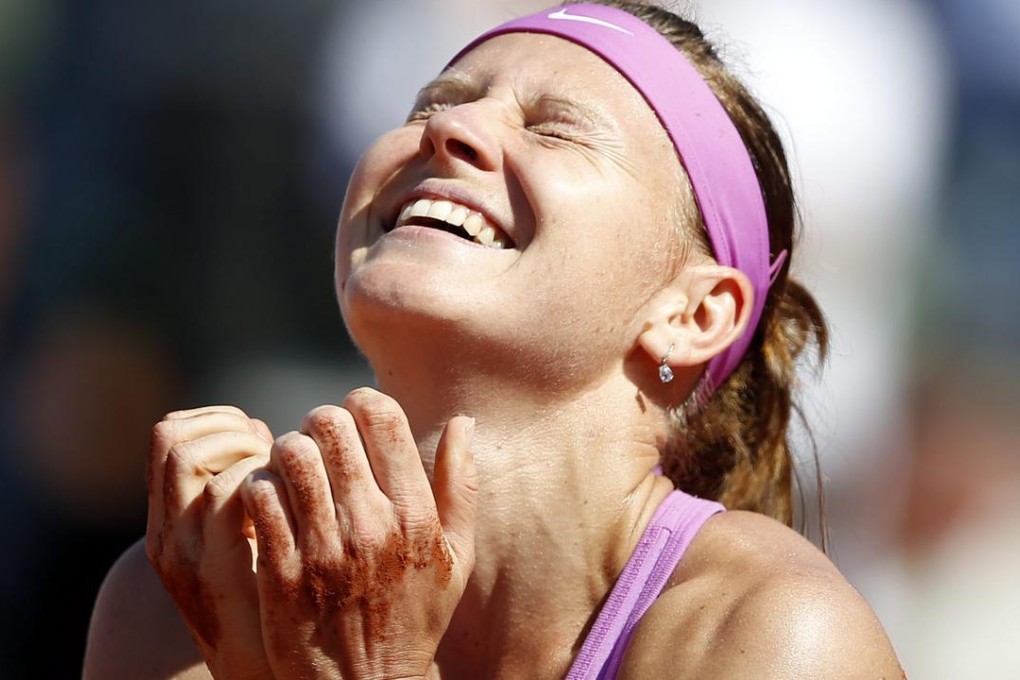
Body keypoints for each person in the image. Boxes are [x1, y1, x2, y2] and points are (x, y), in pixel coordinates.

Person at [83, 2, 903, 677]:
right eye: (432, 105)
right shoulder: (189, 593)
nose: (451, 131)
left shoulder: (771, 638)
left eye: (555, 130)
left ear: (691, 316)